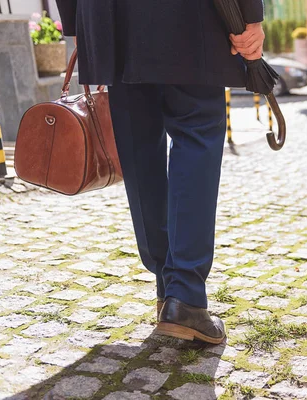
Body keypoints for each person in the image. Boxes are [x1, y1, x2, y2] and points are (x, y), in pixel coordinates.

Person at [55, 0, 265, 344]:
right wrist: (249, 17)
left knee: (138, 146)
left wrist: (78, 24)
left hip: (107, 18)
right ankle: (184, 295)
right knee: (196, 132)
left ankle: (168, 289)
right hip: (185, 16)